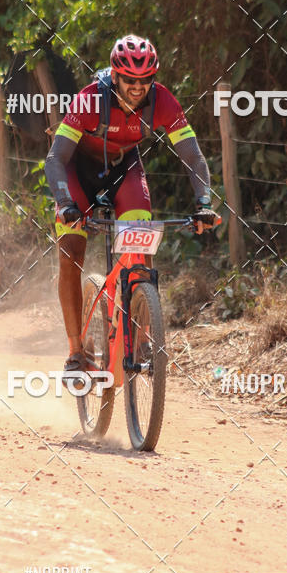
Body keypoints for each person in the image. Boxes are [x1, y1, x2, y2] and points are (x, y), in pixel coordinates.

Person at [44, 33, 220, 371]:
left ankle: (142, 341)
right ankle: (76, 352)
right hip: (77, 171)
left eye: (145, 79)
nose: (138, 87)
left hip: (124, 169)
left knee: (141, 247)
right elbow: (55, 159)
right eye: (129, 79)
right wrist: (66, 203)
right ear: (115, 75)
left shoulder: (163, 101)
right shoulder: (89, 100)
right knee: (70, 252)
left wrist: (203, 203)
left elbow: (194, 158)